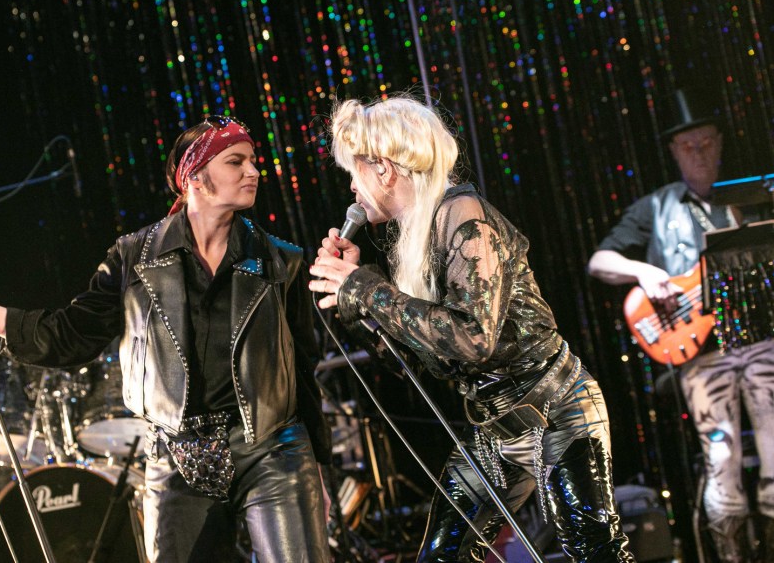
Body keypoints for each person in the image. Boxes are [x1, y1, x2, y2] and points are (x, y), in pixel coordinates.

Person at [0, 116, 332, 563]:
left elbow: (303, 370)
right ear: (195, 177)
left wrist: (317, 470)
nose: (253, 171)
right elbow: (69, 335)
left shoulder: (280, 260)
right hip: (176, 452)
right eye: (236, 161)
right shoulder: (133, 258)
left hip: (273, 449)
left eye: (253, 160)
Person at [308, 96, 635, 562]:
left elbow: (473, 339)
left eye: (353, 172)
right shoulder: (420, 235)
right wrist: (356, 301)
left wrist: (366, 288)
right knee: (442, 555)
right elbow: (417, 363)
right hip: (495, 427)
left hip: (557, 408)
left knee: (595, 551)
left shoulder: (464, 216)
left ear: (383, 168)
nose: (352, 188)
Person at [588, 89, 774, 562]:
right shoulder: (656, 206)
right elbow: (600, 261)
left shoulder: (753, 195)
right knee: (721, 457)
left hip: (761, 339)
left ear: (720, 142)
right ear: (674, 151)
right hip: (701, 353)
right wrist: (643, 272)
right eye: (688, 146)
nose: (699, 153)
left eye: (706, 142)